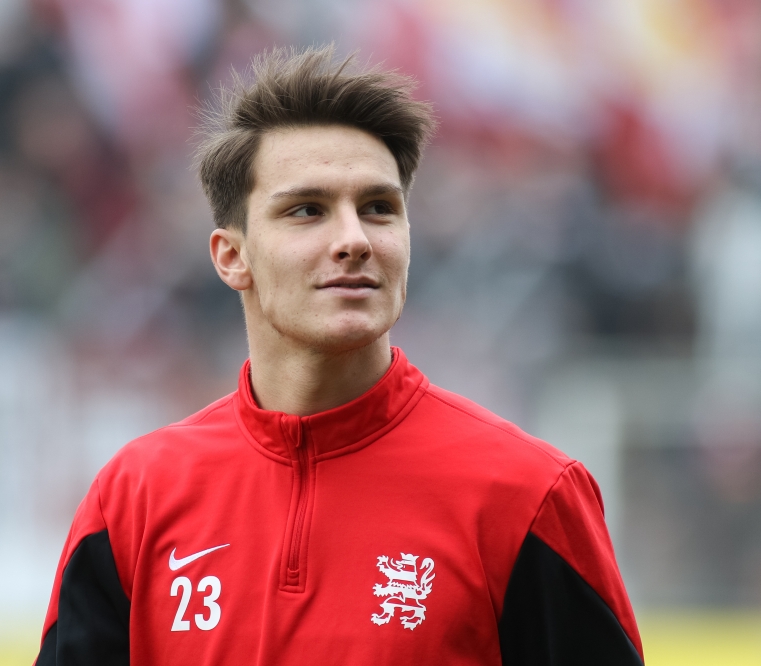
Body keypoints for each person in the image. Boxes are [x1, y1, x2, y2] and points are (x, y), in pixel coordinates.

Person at [34, 46, 644, 666]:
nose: (354, 239)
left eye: (379, 208)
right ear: (232, 257)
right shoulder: (132, 500)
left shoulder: (529, 495)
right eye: (307, 210)